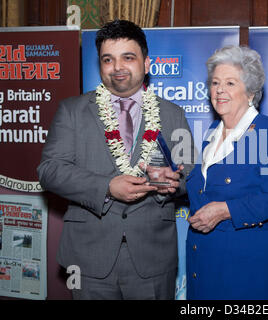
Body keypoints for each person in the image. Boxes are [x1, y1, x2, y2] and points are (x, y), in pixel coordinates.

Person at [37, 19, 195, 300]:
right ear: (100, 65)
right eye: (108, 59)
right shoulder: (72, 111)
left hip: (152, 259)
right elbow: (50, 170)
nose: (117, 67)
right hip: (88, 259)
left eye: (128, 58)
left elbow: (191, 175)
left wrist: (170, 183)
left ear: (147, 64)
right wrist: (106, 187)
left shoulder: (173, 114)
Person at [185, 45, 268, 300]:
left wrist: (226, 210)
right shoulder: (212, 133)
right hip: (202, 264)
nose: (219, 90)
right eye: (215, 83)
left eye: (230, 83)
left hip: (244, 266)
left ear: (250, 92)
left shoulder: (267, 130)